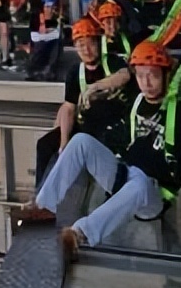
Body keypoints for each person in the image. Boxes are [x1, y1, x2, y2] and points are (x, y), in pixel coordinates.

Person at [17, 40, 181, 261]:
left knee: (139, 185)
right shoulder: (136, 102)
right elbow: (120, 79)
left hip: (153, 194)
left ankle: (79, 233)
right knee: (80, 141)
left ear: (166, 75)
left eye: (153, 75)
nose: (146, 82)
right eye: (141, 75)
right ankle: (43, 206)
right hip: (125, 173)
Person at [33, 15, 130, 182]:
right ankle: (41, 194)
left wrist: (96, 87)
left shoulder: (111, 62)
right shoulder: (75, 72)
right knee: (45, 145)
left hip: (112, 126)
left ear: (98, 43)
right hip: (84, 127)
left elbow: (124, 75)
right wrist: (64, 144)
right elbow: (69, 108)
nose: (86, 50)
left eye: (90, 43)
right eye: (80, 45)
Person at [24, 0, 63, 81]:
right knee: (41, 45)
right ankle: (34, 71)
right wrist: (49, 34)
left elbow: (58, 34)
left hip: (50, 43)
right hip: (39, 44)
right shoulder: (35, 17)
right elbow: (35, 37)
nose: (51, 10)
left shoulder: (55, 19)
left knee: (57, 43)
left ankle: (50, 70)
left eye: (53, 8)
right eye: (48, 7)